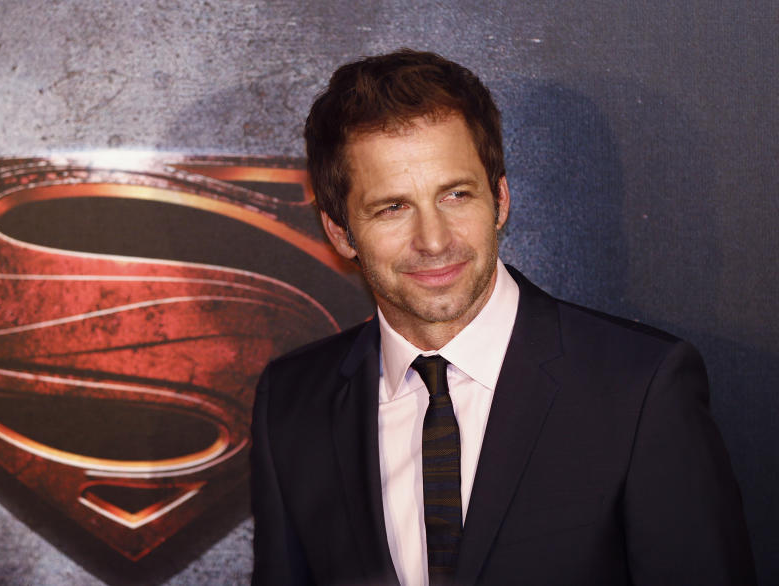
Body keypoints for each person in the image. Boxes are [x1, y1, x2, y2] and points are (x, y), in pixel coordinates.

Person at [250, 49, 756, 585]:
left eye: (456, 195)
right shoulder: (291, 402)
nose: (434, 240)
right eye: (393, 208)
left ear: (501, 199)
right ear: (338, 232)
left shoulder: (640, 390)